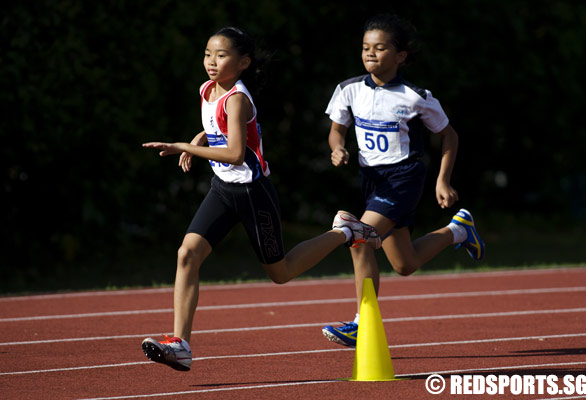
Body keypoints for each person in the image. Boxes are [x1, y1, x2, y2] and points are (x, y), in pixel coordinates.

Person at [140, 27, 380, 371]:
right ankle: (181, 344)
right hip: (223, 190)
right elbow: (216, 127)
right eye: (208, 53)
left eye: (221, 56)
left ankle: (345, 232)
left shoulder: (237, 97)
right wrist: (198, 140)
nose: (211, 61)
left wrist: (184, 146)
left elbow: (237, 153)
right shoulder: (207, 88)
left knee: (280, 273)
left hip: (252, 193)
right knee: (187, 254)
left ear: (243, 63)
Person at [321, 14, 485, 348]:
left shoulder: (416, 96)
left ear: (400, 56)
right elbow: (337, 131)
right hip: (371, 180)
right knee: (405, 263)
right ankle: (459, 230)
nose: (370, 54)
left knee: (361, 239)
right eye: (366, 48)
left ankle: (361, 323)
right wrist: (337, 149)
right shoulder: (347, 90)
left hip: (404, 178)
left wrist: (443, 180)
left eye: (380, 48)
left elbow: (449, 136)